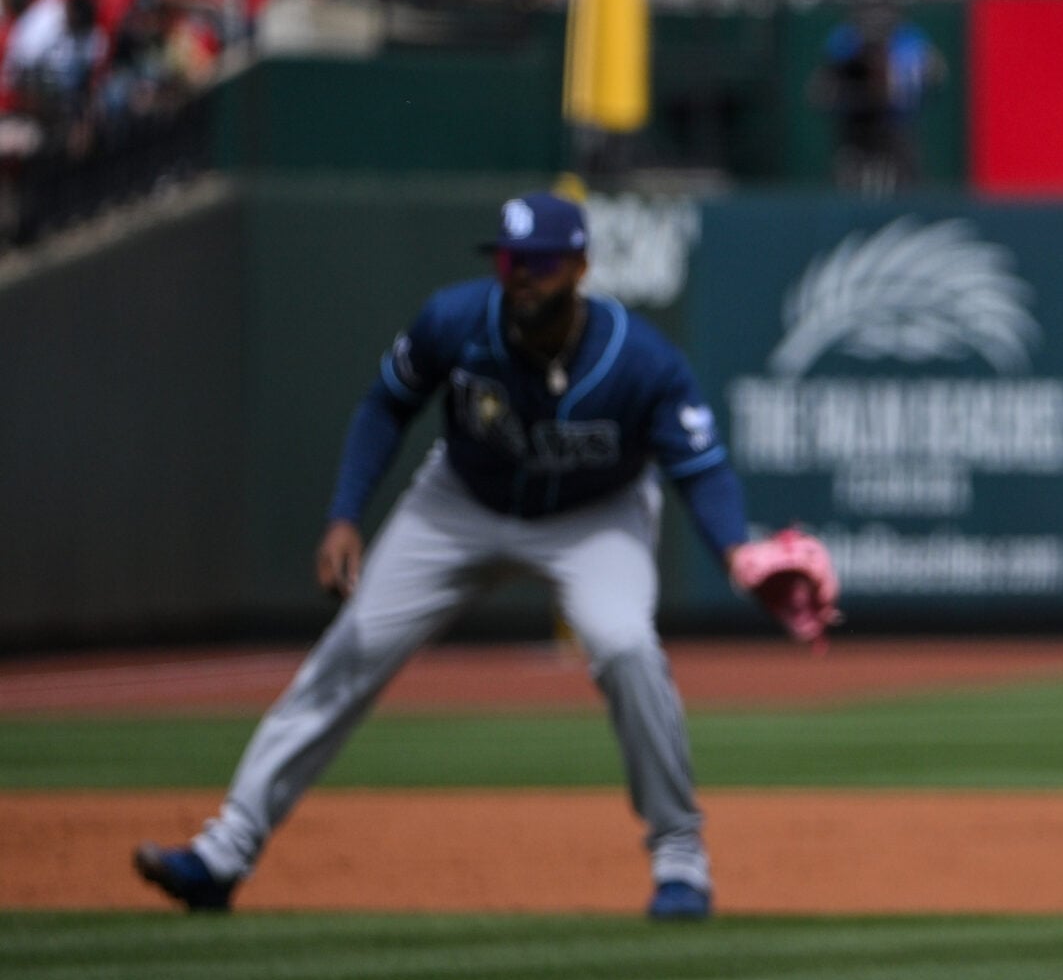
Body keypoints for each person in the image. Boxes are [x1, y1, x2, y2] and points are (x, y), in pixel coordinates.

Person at [134, 192, 837, 919]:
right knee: (355, 645)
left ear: (579, 267)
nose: (521, 275)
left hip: (595, 519)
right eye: (510, 259)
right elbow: (386, 405)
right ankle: (224, 852)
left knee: (626, 645)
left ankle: (680, 857)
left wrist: (735, 554)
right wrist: (345, 514)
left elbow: (700, 468)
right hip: (459, 503)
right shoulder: (456, 320)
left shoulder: (641, 360)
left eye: (538, 261)